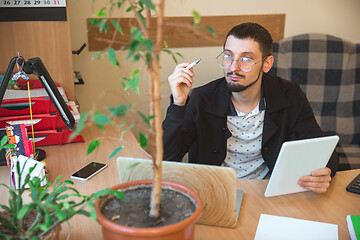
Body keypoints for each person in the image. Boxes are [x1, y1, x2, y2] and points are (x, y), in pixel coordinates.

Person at [162, 22, 338, 193]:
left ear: (266, 64)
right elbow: (166, 159)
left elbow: (320, 147)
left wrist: (326, 170)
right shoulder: (201, 99)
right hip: (215, 191)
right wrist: (179, 104)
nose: (233, 67)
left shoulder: (290, 94)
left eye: (246, 59)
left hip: (268, 192)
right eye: (228, 55)